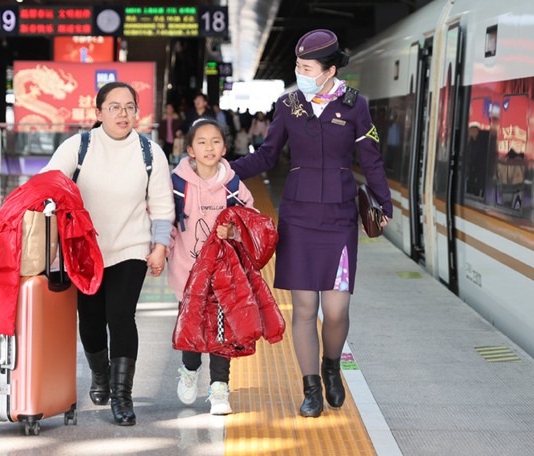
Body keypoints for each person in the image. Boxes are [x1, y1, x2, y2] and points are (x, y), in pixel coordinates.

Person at [230, 28, 392, 418]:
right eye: (298, 66)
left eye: (306, 67)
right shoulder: (289, 105)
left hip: (339, 218)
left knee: (335, 310)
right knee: (303, 310)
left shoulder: (356, 105)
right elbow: (268, 155)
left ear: (329, 69)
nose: (300, 73)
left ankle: (331, 365)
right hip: (298, 218)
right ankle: (310, 388)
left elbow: (370, 159)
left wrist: (383, 204)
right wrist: (223, 170)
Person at [40, 82, 174, 426]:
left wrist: (159, 248)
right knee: (91, 319)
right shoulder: (79, 146)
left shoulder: (149, 152)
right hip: (84, 250)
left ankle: (121, 396)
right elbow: (47, 181)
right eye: (114, 107)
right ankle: (100, 374)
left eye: (129, 106)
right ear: (98, 112)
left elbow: (161, 207)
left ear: (137, 111)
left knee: (121, 315)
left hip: (130, 247)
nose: (122, 113)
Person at [167, 119, 255, 415]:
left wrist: (233, 232)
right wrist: (158, 254)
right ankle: (190, 372)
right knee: (192, 328)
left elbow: (250, 219)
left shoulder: (233, 185)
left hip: (225, 274)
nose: (209, 147)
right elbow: (166, 223)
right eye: (201, 142)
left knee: (222, 331)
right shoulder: (177, 185)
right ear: (190, 149)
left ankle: (219, 389)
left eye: (215, 141)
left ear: (225, 148)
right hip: (187, 271)